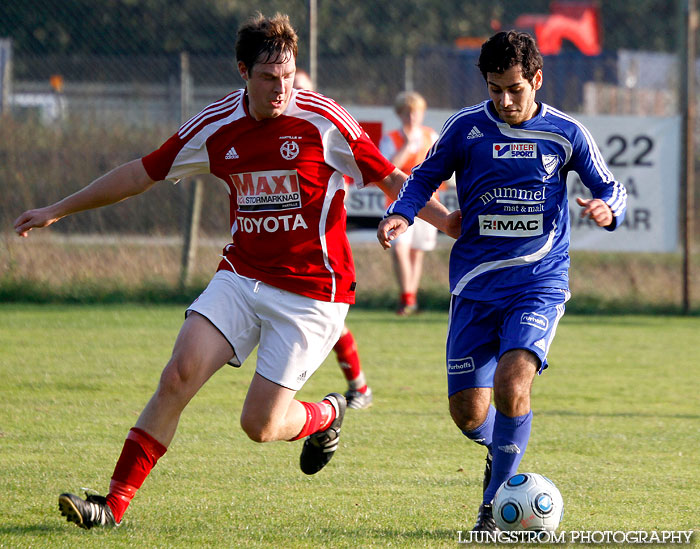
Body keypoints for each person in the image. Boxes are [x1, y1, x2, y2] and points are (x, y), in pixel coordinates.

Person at [14, 13, 459, 530]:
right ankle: (111, 505)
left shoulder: (323, 119)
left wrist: (443, 220)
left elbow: (389, 176)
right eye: (269, 77)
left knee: (259, 425)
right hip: (241, 276)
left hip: (314, 292)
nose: (282, 88)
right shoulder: (217, 124)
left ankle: (326, 414)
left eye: (289, 75)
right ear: (243, 72)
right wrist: (58, 209)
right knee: (177, 376)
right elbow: (141, 173)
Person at [377, 30, 627, 532]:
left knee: (514, 383)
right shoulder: (465, 129)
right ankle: (502, 453)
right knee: (469, 411)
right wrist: (403, 213)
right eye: (495, 89)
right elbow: (423, 178)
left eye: (515, 88)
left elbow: (610, 185)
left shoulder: (566, 133)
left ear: (536, 79)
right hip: (475, 284)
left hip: (539, 281)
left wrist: (607, 208)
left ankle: (493, 508)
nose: (505, 100)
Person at [293, 68, 373, 410]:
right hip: (276, 252)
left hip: (317, 248)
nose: (292, 94)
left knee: (332, 323)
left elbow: (370, 170)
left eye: (301, 89)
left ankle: (358, 388)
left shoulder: (324, 130)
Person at [379, 91, 440, 315]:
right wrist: (405, 146)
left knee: (416, 251)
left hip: (427, 201)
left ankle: (411, 299)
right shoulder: (392, 138)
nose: (411, 117)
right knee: (400, 249)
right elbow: (388, 168)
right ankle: (406, 296)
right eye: (406, 113)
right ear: (399, 114)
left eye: (415, 112)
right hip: (398, 202)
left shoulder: (430, 136)